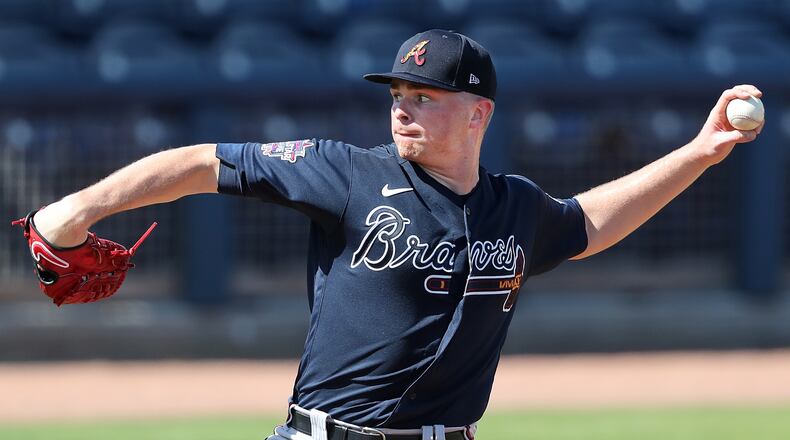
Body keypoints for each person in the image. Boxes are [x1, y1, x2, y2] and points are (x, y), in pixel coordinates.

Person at [26, 29, 763, 440]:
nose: (403, 109)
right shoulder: (346, 174)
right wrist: (78, 210)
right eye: (399, 95)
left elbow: (589, 222)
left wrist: (699, 152)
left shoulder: (516, 208)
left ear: (479, 114)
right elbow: (197, 161)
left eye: (427, 97)